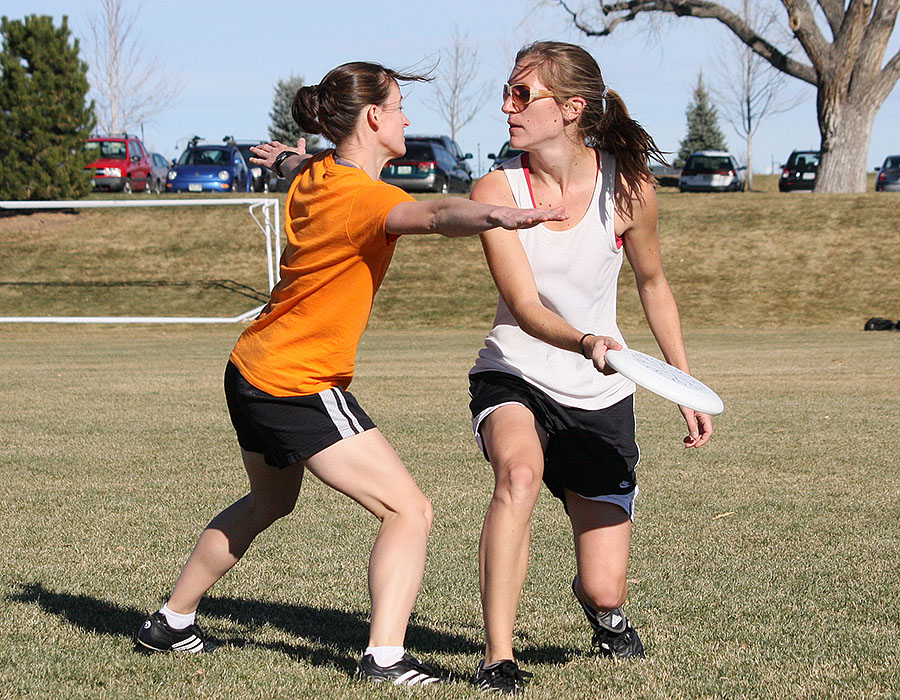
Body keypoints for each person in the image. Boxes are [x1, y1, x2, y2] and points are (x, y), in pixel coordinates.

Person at [133, 60, 566, 686]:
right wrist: (498, 215)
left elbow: (297, 167)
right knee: (409, 510)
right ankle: (384, 657)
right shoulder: (364, 197)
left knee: (268, 501)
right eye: (397, 108)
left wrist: (284, 157)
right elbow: (437, 216)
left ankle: (171, 622)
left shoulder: (318, 174)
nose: (407, 120)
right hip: (296, 382)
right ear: (373, 119)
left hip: (250, 365)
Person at [466, 41, 714, 693]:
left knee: (605, 586)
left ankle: (605, 618)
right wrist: (584, 341)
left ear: (571, 109)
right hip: (515, 372)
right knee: (518, 475)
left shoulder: (628, 189)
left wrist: (682, 381)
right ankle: (498, 656)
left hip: (599, 392)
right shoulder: (497, 190)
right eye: (508, 91)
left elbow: (654, 285)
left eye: (523, 94)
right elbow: (522, 305)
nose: (506, 106)